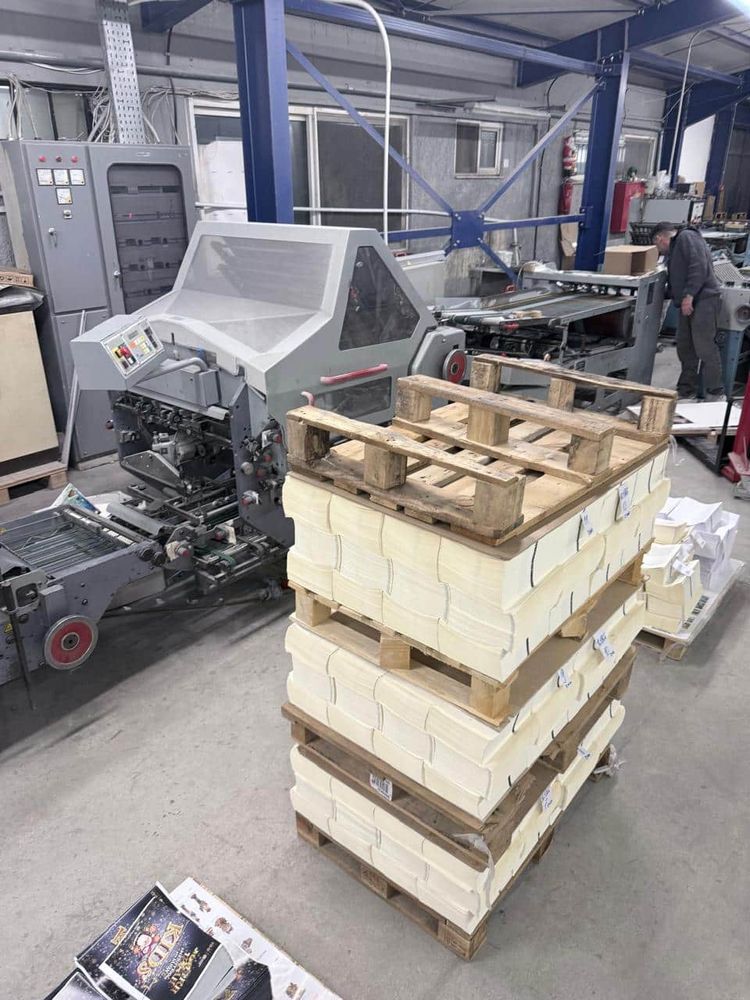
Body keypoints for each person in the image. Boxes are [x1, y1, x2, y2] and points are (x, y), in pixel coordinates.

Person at [652, 222, 724, 400]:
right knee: (685, 347)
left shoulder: (686, 237)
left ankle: (715, 392)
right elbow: (678, 279)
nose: (659, 251)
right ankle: (686, 388)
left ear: (659, 239)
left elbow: (698, 266)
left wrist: (689, 295)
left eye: (656, 246)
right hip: (689, 302)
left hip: (704, 300)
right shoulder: (675, 250)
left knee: (704, 346)